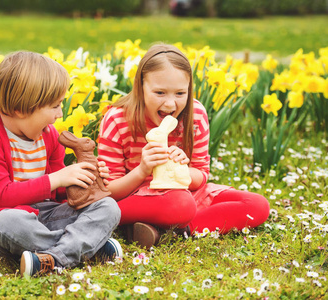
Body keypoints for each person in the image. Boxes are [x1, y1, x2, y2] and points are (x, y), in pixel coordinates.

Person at [0, 51, 122, 278]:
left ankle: (53, 259)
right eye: (54, 106)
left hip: (45, 216)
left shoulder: (48, 135)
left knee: (108, 207)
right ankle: (86, 248)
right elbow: (1, 195)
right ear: (21, 108)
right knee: (14, 223)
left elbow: (59, 195)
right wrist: (57, 178)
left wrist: (85, 179)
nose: (59, 114)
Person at [97, 44, 270, 248]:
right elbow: (110, 191)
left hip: (186, 194)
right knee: (180, 203)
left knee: (258, 205)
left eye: (180, 93)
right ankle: (143, 222)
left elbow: (201, 175)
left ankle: (166, 232)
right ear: (140, 86)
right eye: (160, 93)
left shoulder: (195, 115)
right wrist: (143, 170)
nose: (170, 104)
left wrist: (182, 171)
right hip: (137, 197)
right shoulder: (118, 120)